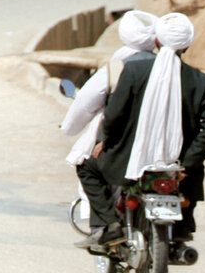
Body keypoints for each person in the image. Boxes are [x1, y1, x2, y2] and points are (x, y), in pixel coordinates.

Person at [77, 12, 205, 250]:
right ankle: (184, 225)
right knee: (194, 176)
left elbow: (114, 114)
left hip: (128, 160)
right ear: (187, 45)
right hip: (180, 168)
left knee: (86, 166)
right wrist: (188, 163)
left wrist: (106, 140)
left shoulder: (133, 72)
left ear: (156, 41)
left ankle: (110, 224)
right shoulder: (201, 81)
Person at [60, 9, 158, 172]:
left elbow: (86, 101)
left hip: (119, 146)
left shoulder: (115, 68)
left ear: (123, 33)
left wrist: (69, 127)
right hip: (161, 148)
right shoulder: (170, 67)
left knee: (87, 169)